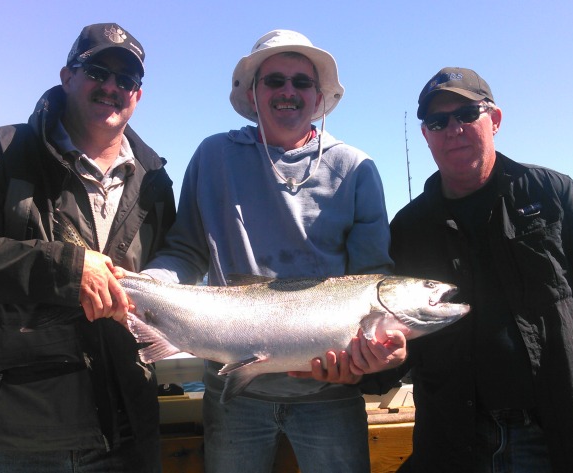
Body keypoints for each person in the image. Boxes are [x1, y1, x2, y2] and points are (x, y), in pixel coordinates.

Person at [140, 29, 406, 473]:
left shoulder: (356, 168)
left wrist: (378, 353)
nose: (288, 91)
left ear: (319, 97)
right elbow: (185, 252)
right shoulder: (213, 156)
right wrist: (146, 286)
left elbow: (371, 276)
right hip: (233, 394)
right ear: (253, 92)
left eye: (301, 83)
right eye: (275, 80)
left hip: (330, 398)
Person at [0, 23, 176, 472]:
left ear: (138, 96)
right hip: (18, 441)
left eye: (126, 80)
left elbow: (170, 270)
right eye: (97, 71)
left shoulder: (155, 182)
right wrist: (67, 270)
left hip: (129, 435)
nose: (111, 87)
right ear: (66, 76)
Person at [386, 67, 573, 472]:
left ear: (495, 120)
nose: (454, 128)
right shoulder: (408, 227)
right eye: (438, 121)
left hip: (552, 438)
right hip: (454, 444)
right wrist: (372, 364)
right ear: (426, 135)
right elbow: (397, 340)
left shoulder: (553, 194)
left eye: (467, 113)